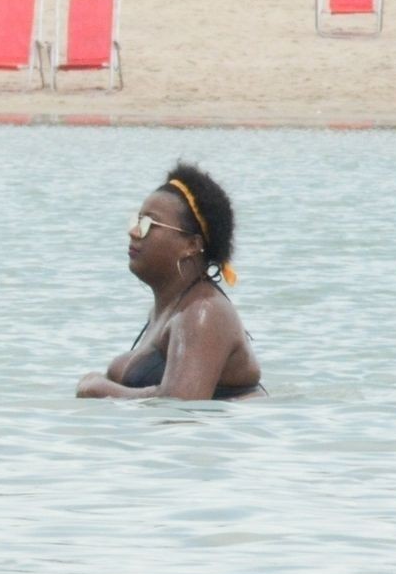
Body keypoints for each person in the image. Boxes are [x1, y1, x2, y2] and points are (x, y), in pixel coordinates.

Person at [76, 161, 264, 401]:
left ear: (191, 245)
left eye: (148, 224)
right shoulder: (167, 310)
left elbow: (181, 404)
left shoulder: (203, 313)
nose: (134, 232)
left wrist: (97, 388)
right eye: (136, 221)